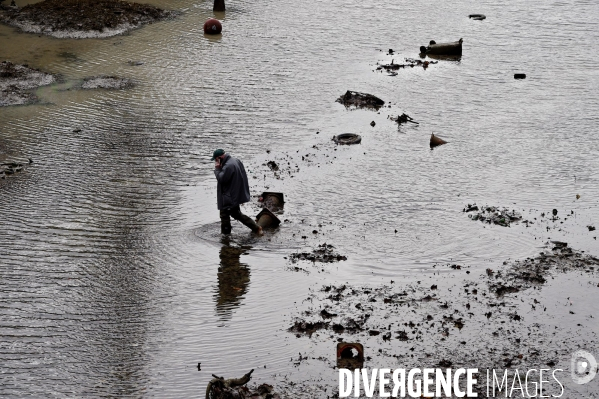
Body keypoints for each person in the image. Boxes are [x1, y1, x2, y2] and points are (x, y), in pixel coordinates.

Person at [212, 149, 263, 236]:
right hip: (234, 194)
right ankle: (256, 228)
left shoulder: (228, 166)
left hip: (228, 196)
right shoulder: (235, 160)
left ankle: (225, 237)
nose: (216, 162)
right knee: (236, 214)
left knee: (224, 216)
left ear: (220, 158)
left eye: (216, 160)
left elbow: (221, 179)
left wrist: (217, 169)